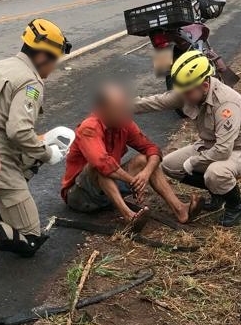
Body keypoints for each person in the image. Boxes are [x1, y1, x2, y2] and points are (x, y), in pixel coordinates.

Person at [0, 19, 74, 257]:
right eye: (54, 61)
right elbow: (19, 131)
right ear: (43, 57)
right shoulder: (30, 81)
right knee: (30, 240)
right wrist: (48, 153)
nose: (53, 67)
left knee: (31, 153)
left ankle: (1, 210)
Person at [134, 50, 241, 227]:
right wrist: (121, 107)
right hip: (211, 144)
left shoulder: (226, 105)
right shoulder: (189, 90)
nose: (183, 96)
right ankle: (218, 192)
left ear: (204, 86)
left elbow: (223, 150)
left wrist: (194, 162)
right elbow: (155, 102)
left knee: (215, 172)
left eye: (187, 92)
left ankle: (236, 205)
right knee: (169, 165)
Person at [61, 83, 201, 226]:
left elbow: (153, 149)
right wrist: (133, 182)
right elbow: (102, 164)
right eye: (118, 109)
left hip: (107, 191)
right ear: (102, 110)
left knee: (145, 160)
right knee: (100, 168)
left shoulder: (123, 123)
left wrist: (145, 174)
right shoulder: (89, 128)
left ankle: (180, 209)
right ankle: (129, 217)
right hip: (80, 196)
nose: (124, 113)